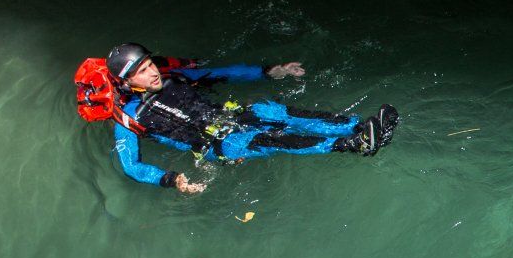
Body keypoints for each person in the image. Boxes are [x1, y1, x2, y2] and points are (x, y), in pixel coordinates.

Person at [103, 43, 398, 194]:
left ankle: (360, 126)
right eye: (142, 71)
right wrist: (171, 179)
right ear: (126, 82)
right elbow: (131, 166)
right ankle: (354, 144)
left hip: (228, 116)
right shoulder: (129, 117)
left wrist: (269, 71)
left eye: (150, 64)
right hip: (218, 145)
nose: (153, 73)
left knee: (274, 111)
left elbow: (223, 73)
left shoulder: (175, 76)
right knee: (270, 139)